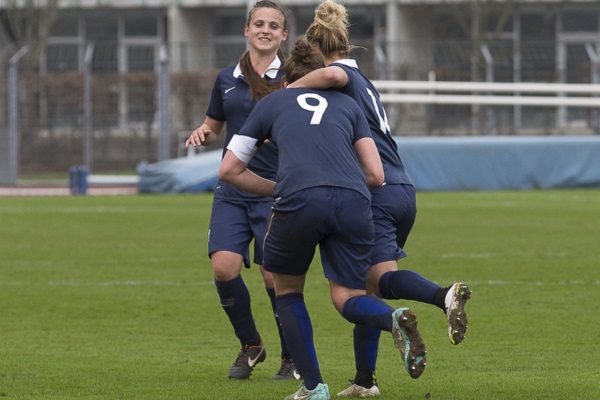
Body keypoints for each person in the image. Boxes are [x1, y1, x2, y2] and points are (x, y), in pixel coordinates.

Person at [219, 36, 427, 400]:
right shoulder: (348, 107)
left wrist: (276, 187)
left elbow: (229, 169)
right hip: (354, 202)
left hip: (298, 199)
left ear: (288, 79)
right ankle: (390, 317)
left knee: (287, 292)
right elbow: (376, 174)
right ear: (321, 73)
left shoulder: (273, 102)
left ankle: (314, 388)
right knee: (348, 294)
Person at [287, 0, 472, 396]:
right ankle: (364, 381)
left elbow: (331, 77)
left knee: (368, 286)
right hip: (401, 187)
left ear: (321, 52)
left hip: (377, 191)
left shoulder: (340, 75)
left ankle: (443, 296)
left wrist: (287, 91)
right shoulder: (366, 82)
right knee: (372, 287)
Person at [185, 0, 299, 381]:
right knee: (223, 268)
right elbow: (215, 124)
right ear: (246, 30)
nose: (265, 30)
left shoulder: (294, 77)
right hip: (233, 187)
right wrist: (202, 134)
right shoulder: (226, 77)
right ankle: (251, 345)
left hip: (274, 189)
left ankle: (291, 356)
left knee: (273, 277)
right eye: (258, 24)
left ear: (284, 35)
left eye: (273, 26)